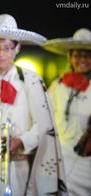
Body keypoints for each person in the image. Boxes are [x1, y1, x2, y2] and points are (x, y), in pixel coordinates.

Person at [0, 14, 67, 196]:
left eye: (7, 48)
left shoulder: (32, 80)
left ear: (18, 47)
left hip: (17, 164)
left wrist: (22, 141)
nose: (1, 54)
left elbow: (44, 124)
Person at [44, 28, 91, 196]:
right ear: (69, 58)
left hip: (86, 162)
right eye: (78, 55)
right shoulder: (58, 85)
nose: (82, 60)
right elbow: (44, 116)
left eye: (87, 55)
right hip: (58, 157)